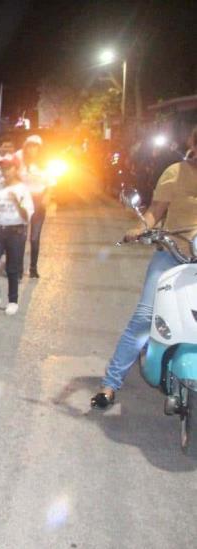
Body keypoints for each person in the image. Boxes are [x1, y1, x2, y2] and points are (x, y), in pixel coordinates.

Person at [91, 126, 197, 409]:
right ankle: (110, 384)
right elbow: (154, 211)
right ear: (193, 144)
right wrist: (140, 227)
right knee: (144, 318)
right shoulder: (176, 172)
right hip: (173, 255)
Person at [0, 154, 34, 316]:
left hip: (16, 231)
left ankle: (13, 300)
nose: (5, 171)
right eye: (2, 168)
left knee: (13, 268)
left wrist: (17, 202)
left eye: (8, 168)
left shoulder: (22, 189)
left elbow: (27, 216)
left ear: (16, 169)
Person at [18, 135, 50, 278]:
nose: (32, 149)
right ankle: (17, 268)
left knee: (34, 238)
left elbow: (51, 184)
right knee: (21, 236)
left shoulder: (45, 164)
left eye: (35, 146)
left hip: (38, 202)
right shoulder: (20, 160)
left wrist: (46, 198)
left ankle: (33, 268)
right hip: (23, 201)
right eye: (30, 146)